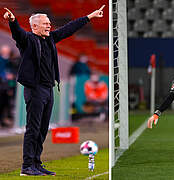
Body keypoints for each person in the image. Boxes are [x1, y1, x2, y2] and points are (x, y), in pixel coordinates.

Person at [3, 5, 105, 176]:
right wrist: (13, 21)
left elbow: (68, 29)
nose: (49, 26)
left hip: (48, 89)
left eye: (49, 23)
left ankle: (36, 163)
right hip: (35, 90)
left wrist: (89, 17)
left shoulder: (50, 39)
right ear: (35, 26)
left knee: (43, 129)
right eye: (45, 24)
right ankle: (27, 166)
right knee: (33, 128)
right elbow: (17, 33)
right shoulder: (28, 40)